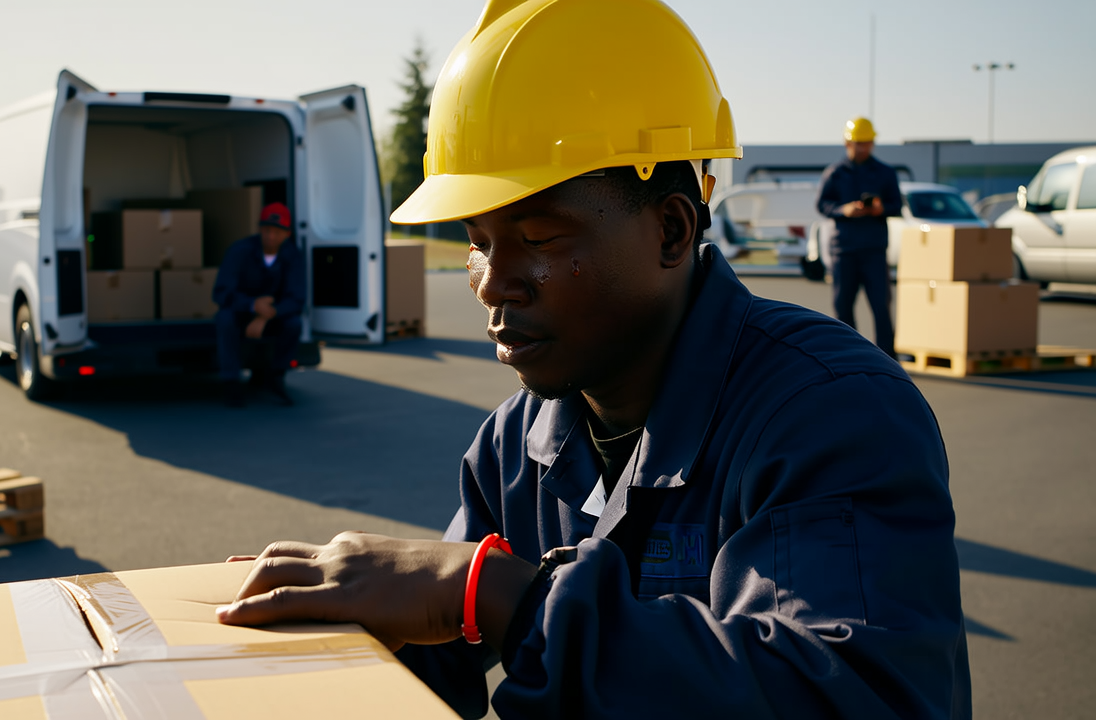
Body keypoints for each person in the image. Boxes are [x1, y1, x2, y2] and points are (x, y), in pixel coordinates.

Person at [216, 1, 970, 718]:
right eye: (478, 242)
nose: (494, 282)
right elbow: (431, 641)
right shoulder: (517, 448)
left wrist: (500, 596)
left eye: (539, 238)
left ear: (672, 230)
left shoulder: (828, 414)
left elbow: (851, 696)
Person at [815, 117, 903, 358]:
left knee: (881, 307)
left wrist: (880, 208)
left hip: (873, 250)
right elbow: (822, 204)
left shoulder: (885, 173)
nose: (863, 148)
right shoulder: (835, 173)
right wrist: (844, 210)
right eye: (859, 143)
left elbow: (897, 205)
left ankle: (887, 359)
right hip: (844, 251)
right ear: (847, 143)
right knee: (843, 307)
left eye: (868, 143)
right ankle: (849, 357)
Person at [212, 202, 305, 407]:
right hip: (241, 313)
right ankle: (231, 382)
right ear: (259, 229)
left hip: (272, 316)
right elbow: (221, 293)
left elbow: (297, 297)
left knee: (294, 324)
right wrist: (253, 306)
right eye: (267, 230)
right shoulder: (239, 251)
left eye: (277, 232)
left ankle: (276, 376)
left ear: (287, 234)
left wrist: (267, 314)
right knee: (224, 319)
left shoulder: (292, 256)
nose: (271, 236)